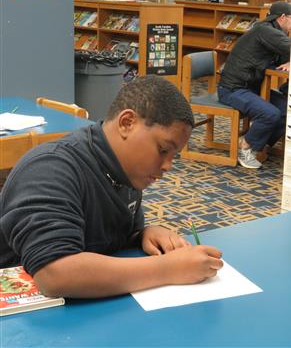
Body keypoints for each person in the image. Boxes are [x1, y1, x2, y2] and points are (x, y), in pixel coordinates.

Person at [0, 76, 224, 298]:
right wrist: (168, 268)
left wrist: (142, 235)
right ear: (127, 123)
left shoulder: (125, 170)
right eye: (163, 149)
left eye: (174, 156)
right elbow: (54, 274)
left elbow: (106, 237)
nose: (167, 166)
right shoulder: (50, 168)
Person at [218, 1, 291, 169]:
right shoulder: (266, 31)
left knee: (289, 108)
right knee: (270, 114)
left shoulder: (268, 31)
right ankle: (245, 147)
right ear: (283, 17)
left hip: (250, 88)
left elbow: (282, 54)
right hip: (233, 89)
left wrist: (290, 60)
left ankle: (259, 144)